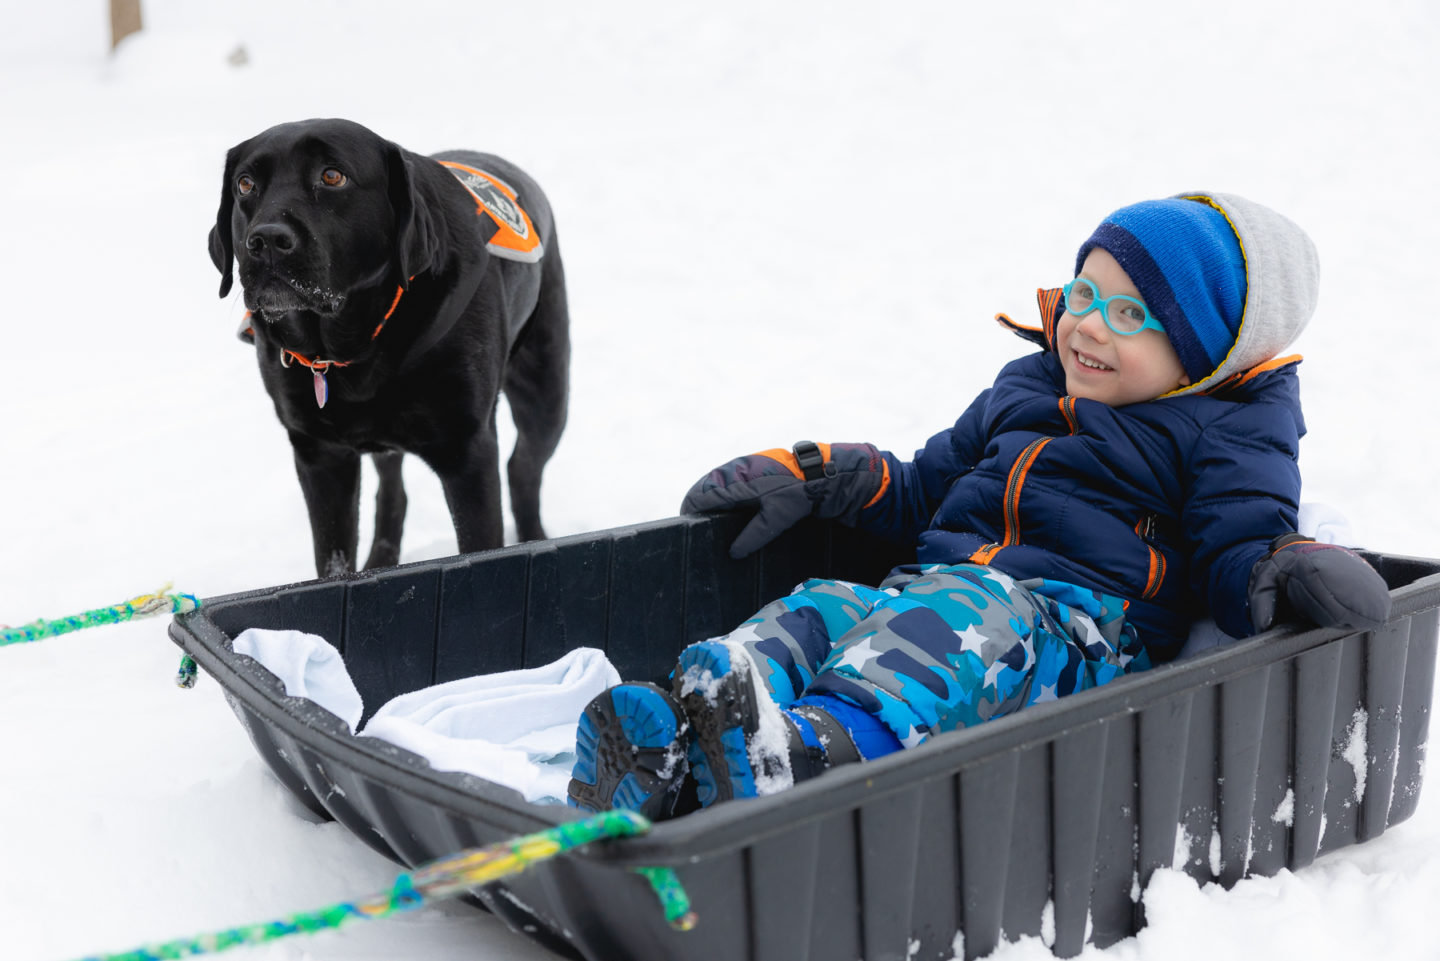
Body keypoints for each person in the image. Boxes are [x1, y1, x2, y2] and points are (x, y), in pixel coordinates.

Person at [567, 191, 1392, 818]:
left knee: (965, 608)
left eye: (1131, 315)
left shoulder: (1221, 428)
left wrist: (1285, 568)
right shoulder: (1027, 385)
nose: (1089, 327)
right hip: (934, 600)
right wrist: (829, 475)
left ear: (1204, 354)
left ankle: (811, 749)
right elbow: (931, 484)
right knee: (823, 606)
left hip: (1075, 635)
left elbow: (1238, 543)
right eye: (1083, 294)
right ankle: (681, 734)